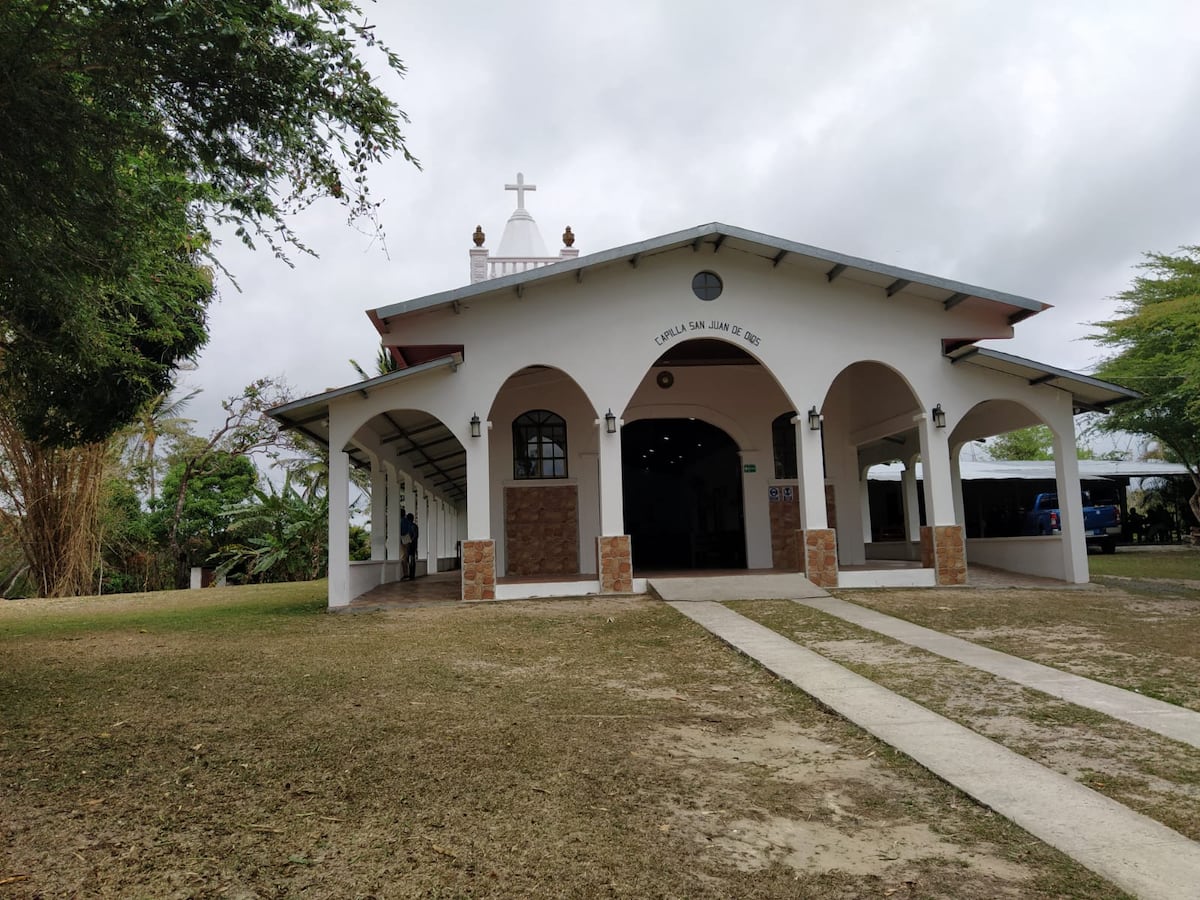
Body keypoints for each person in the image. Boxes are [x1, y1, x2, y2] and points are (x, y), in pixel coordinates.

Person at [404, 512, 419, 580]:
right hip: (413, 545)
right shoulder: (414, 526)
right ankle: (412, 575)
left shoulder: (410, 526)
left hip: (410, 545)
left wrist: (409, 541)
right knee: (411, 559)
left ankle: (411, 575)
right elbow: (416, 536)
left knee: (410, 559)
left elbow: (414, 536)